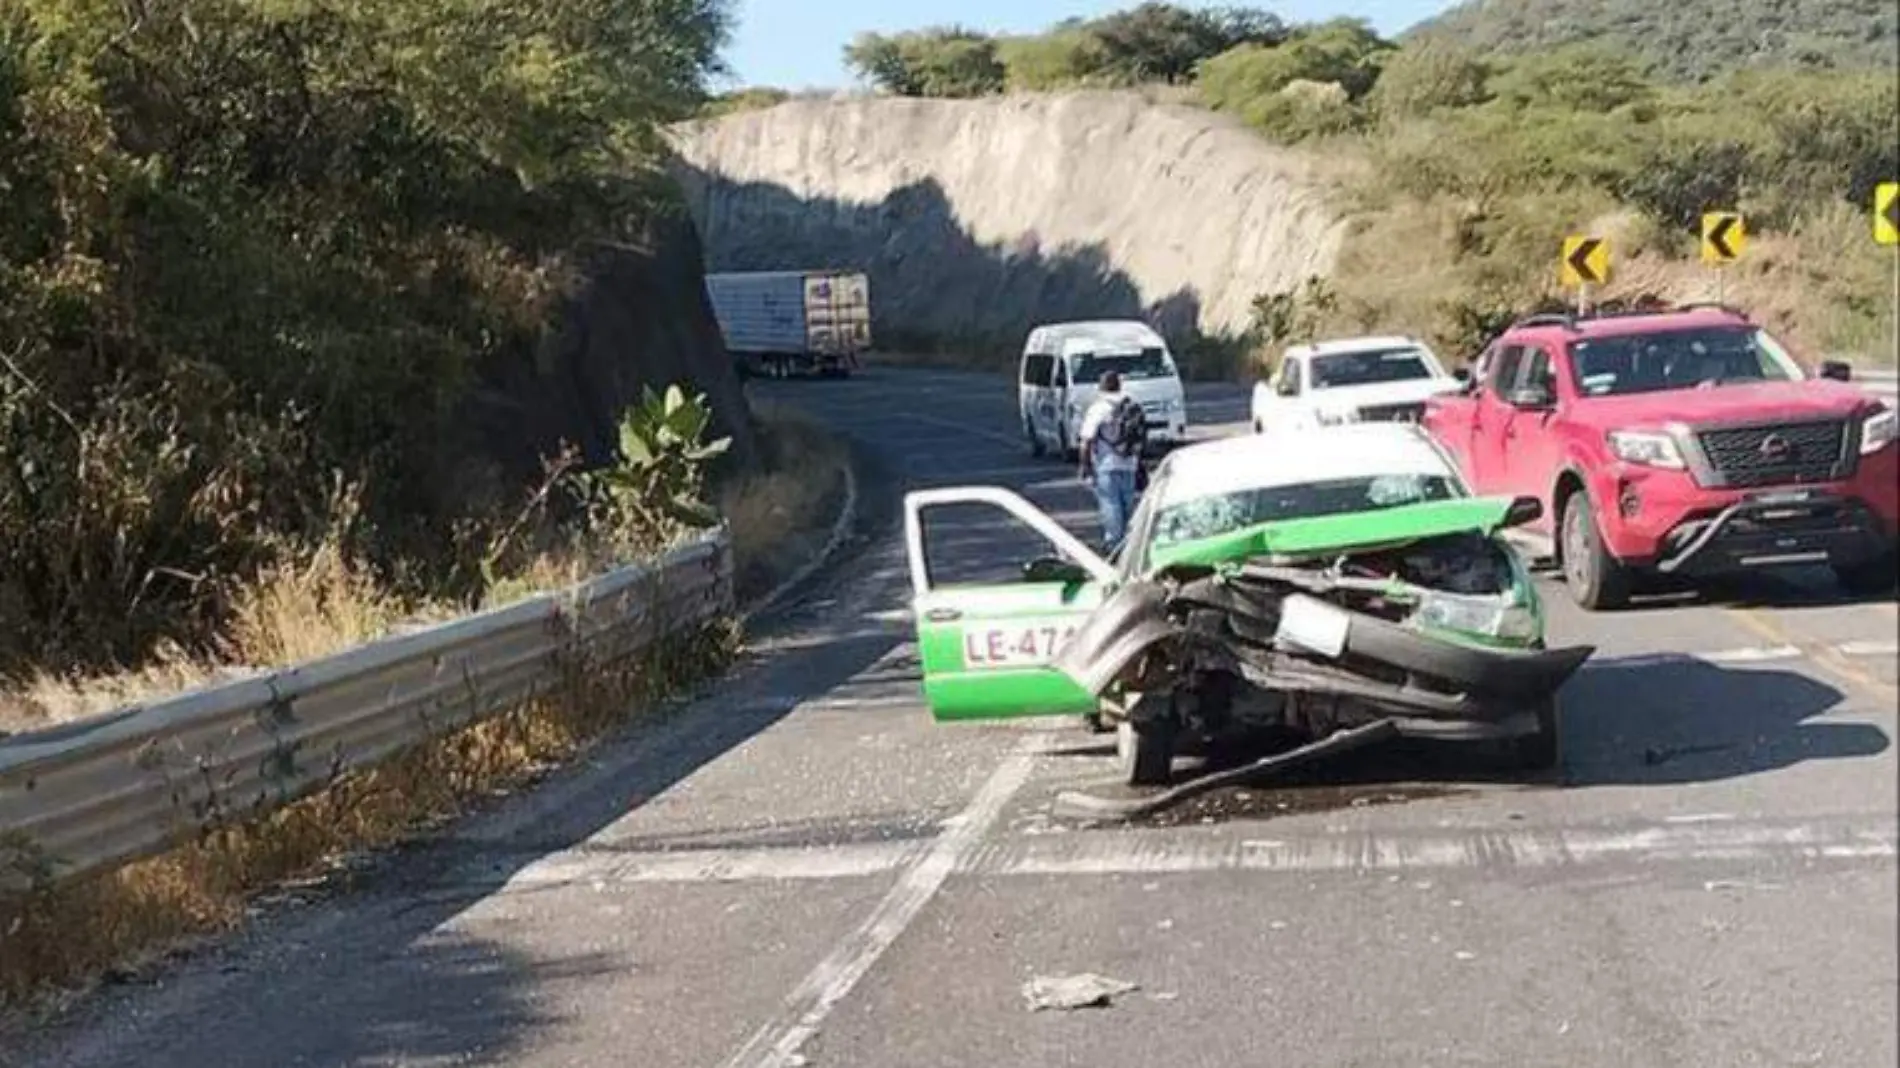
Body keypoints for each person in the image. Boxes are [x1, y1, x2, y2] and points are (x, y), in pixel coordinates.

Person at [1077, 370, 1145, 553]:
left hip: (1107, 463)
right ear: (1119, 385)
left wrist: (1085, 466)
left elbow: (1086, 440)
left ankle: (1114, 544)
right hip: (1130, 462)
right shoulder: (1131, 405)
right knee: (1127, 503)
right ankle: (1131, 543)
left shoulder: (1099, 408)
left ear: (1101, 386)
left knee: (1110, 503)